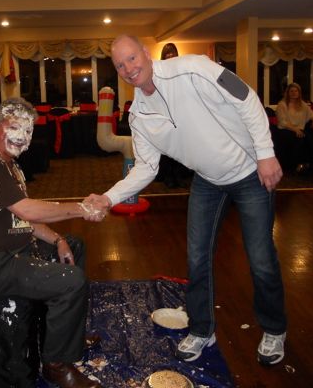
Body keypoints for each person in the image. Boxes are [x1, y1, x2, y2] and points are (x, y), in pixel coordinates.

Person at [85, 35, 287, 365]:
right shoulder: (138, 115)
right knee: (197, 258)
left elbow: (246, 98)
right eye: (120, 65)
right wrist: (108, 198)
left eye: (132, 58)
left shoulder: (193, 68)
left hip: (251, 172)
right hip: (208, 181)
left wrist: (265, 153)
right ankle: (202, 329)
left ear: (146, 54)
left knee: (261, 258)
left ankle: (275, 329)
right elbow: (147, 167)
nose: (129, 68)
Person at [0, 98, 104, 388]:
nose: (22, 136)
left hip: (9, 250)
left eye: (28, 130)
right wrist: (82, 208)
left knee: (74, 246)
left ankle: (67, 336)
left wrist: (59, 239)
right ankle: (56, 364)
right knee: (72, 281)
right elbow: (28, 211)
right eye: (15, 127)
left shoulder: (9, 166)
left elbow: (24, 219)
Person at [155, 42, 193, 188]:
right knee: (167, 148)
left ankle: (179, 175)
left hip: (180, 114)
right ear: (163, 57)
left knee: (180, 148)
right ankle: (168, 176)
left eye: (172, 54)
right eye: (167, 55)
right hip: (165, 115)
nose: (170, 57)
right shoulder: (158, 73)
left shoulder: (181, 72)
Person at [275, 82, 313, 173]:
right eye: (291, 91)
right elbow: (282, 122)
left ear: (299, 93)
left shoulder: (303, 105)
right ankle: (293, 166)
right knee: (299, 139)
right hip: (285, 130)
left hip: (299, 129)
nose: (294, 93)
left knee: (311, 138)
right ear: (288, 93)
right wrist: (295, 130)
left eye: (296, 91)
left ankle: (309, 164)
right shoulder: (282, 104)